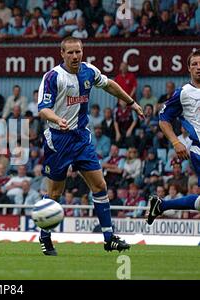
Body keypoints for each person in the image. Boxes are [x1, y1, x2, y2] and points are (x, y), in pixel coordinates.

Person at [37, 37, 144, 256]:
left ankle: (109, 238)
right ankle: (45, 237)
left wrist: (131, 103)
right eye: (70, 53)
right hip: (58, 140)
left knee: (100, 186)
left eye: (78, 52)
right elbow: (43, 109)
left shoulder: (88, 71)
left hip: (81, 138)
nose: (75, 56)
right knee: (56, 192)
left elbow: (110, 85)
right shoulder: (53, 77)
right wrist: (57, 119)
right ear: (62, 53)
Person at [147, 50, 200, 225]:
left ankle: (161, 206)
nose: (198, 67)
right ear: (188, 68)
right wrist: (176, 142)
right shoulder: (183, 93)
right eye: (194, 64)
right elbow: (163, 120)